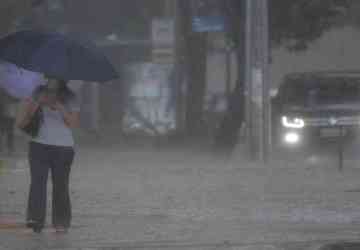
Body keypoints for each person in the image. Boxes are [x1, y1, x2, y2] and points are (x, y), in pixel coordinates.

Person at [16, 76, 80, 233]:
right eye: (49, 74)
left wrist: (60, 107)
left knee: (60, 185)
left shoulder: (70, 96)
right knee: (37, 183)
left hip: (63, 148)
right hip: (39, 145)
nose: (51, 78)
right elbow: (22, 122)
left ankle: (61, 222)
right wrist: (36, 104)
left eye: (55, 75)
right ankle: (35, 220)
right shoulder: (37, 92)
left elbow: (73, 124)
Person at [0, 90, 18, 154]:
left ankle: (9, 148)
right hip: (5, 114)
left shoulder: (12, 93)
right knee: (5, 132)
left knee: (8, 132)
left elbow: (17, 100)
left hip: (9, 114)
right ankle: (8, 148)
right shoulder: (10, 92)